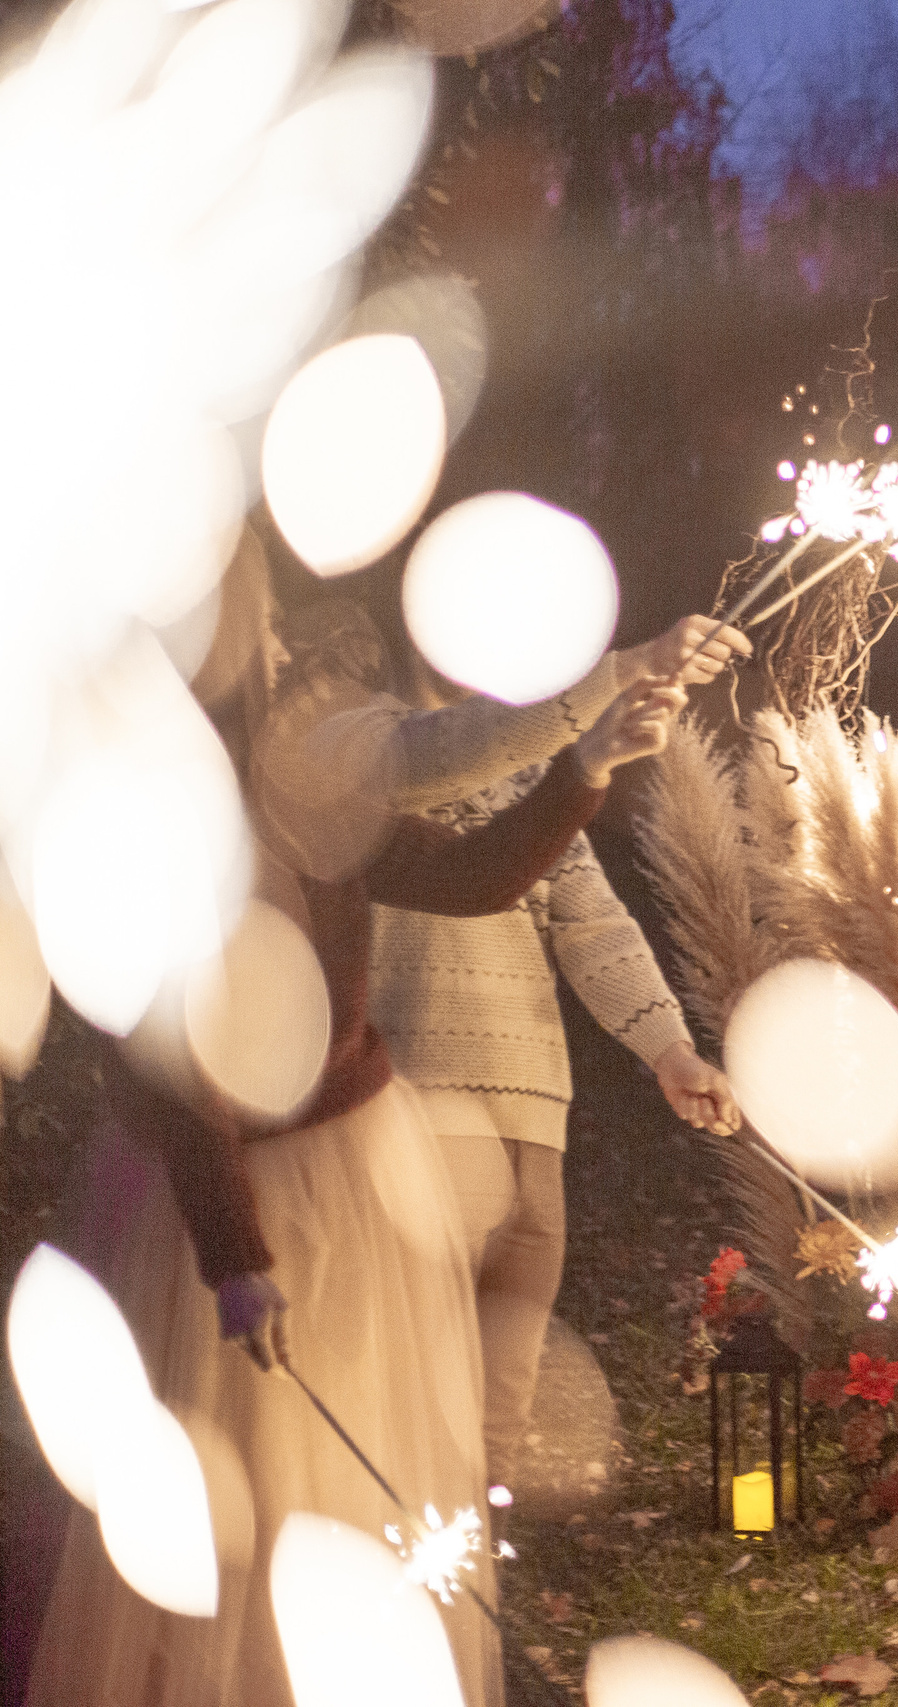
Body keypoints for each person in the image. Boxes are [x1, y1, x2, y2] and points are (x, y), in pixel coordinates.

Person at [29, 551, 688, 1707]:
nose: (275, 643)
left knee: (359, 1471)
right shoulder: (140, 812)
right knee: (246, 1480)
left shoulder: (302, 782)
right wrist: (233, 1255)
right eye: (251, 623)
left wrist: (585, 765)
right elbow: (178, 1064)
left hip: (349, 1158)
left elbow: (473, 873)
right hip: (225, 1188)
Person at [267, 602, 749, 1525]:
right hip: (412, 1097)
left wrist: (667, 1046)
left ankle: (469, 1575)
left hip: (535, 1096)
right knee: (413, 1363)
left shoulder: (530, 758)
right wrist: (621, 675)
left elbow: (589, 916)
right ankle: (390, 1557)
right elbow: (448, 749)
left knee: (503, 1378)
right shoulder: (353, 746)